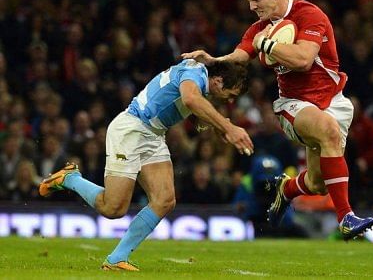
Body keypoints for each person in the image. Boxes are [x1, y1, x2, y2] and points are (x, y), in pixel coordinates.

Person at [182, 0, 373, 240]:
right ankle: (346, 217)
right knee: (328, 130)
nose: (251, 6)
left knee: (317, 183)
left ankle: (287, 189)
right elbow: (239, 56)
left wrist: (267, 45)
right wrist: (213, 60)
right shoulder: (259, 28)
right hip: (292, 104)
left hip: (332, 100)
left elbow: (303, 60)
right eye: (249, 0)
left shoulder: (309, 15)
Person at [38, 59, 253, 271]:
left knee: (165, 200)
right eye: (232, 94)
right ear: (218, 80)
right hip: (132, 130)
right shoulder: (195, 75)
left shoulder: (198, 76)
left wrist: (216, 126)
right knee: (113, 208)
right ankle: (70, 179)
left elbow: (185, 105)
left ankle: (116, 259)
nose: (231, 101)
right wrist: (227, 125)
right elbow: (190, 100)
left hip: (153, 135)